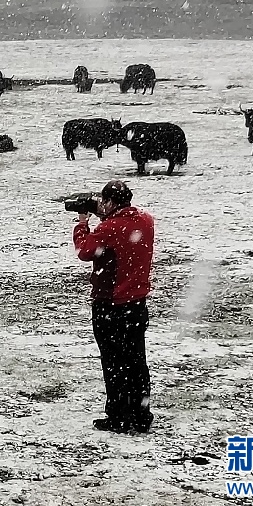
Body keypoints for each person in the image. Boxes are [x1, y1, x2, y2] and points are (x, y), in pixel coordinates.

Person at [72, 179, 155, 433]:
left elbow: (85, 251)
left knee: (113, 363)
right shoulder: (145, 220)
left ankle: (118, 415)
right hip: (137, 303)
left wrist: (82, 223)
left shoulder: (108, 228)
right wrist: (107, 215)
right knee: (136, 361)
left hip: (111, 304)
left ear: (109, 202)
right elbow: (122, 234)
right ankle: (141, 413)